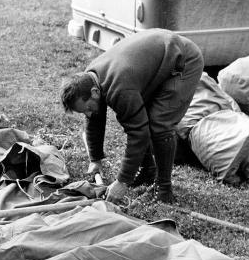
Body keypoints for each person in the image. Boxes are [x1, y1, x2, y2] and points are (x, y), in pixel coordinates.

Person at [60, 29, 204, 204]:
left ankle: (164, 189)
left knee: (158, 124)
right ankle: (148, 171)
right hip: (158, 59)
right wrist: (95, 158)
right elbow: (94, 119)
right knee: (135, 117)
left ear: (95, 92)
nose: (89, 114)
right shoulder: (89, 79)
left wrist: (122, 181)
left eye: (88, 107)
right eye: (84, 111)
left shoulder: (119, 88)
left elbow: (138, 134)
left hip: (183, 60)